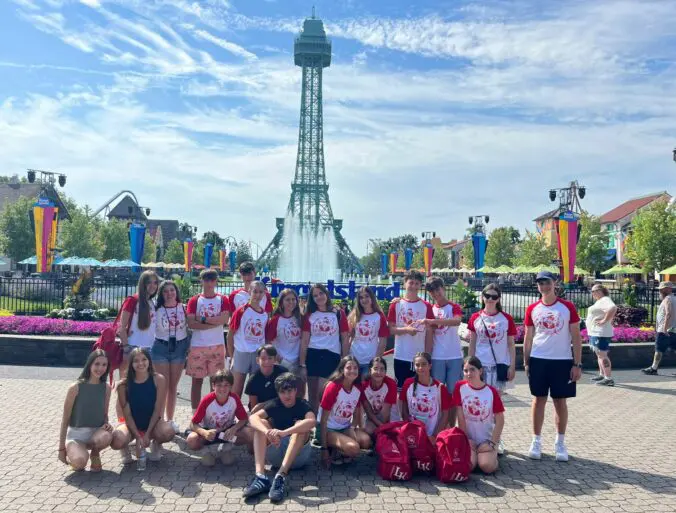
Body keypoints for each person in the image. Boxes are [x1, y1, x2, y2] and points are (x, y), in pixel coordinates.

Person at [523, 270, 582, 462]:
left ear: (554, 283)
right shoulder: (532, 308)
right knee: (538, 399)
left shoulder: (567, 307)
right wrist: (526, 361)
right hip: (538, 359)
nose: (543, 286)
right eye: (540, 282)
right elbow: (528, 336)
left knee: (559, 401)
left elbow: (576, 336)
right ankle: (536, 440)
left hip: (562, 360)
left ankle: (560, 442)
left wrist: (577, 364)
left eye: (546, 282)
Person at [243, 373, 316, 502]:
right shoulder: (274, 404)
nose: (287, 395)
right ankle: (260, 476)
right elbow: (252, 418)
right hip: (276, 453)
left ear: (295, 391)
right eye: (283, 392)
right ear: (278, 393)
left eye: (289, 391)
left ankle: (280, 476)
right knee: (261, 425)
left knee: (301, 426)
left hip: (298, 458)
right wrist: (267, 432)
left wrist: (284, 432)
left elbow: (312, 422)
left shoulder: (303, 404)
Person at [111, 348, 175, 469]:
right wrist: (138, 436)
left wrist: (148, 434)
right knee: (116, 440)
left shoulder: (159, 379)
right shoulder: (123, 385)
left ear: (149, 361)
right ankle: (125, 448)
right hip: (131, 424)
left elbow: (157, 410)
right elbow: (127, 414)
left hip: (152, 422)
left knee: (168, 432)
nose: (140, 363)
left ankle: (155, 444)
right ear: (131, 364)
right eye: (136, 361)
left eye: (144, 359)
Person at [58, 349, 114, 472]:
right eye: (97, 364)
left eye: (104, 365)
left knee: (107, 436)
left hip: (96, 434)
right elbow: (65, 420)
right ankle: (76, 453)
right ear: (89, 364)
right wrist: (61, 449)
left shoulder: (107, 388)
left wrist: (107, 424)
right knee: (79, 463)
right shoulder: (75, 388)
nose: (100, 368)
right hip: (76, 436)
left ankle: (95, 453)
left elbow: (104, 414)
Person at [186, 369, 254, 466]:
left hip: (226, 434)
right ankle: (207, 450)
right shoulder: (207, 400)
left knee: (250, 434)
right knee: (192, 440)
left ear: (231, 386)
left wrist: (234, 428)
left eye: (226, 385)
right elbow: (193, 424)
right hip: (209, 434)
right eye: (219, 385)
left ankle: (226, 448)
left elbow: (243, 419)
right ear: (213, 386)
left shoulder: (234, 398)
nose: (222, 389)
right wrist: (204, 432)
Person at [299, 283, 349, 412]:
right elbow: (304, 340)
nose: (319, 297)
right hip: (312, 354)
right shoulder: (309, 314)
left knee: (323, 391)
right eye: (315, 295)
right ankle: (312, 422)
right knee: (312, 392)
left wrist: (345, 359)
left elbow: (344, 338)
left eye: (321, 293)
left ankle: (322, 422)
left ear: (326, 294)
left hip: (331, 355)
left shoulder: (338, 313)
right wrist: (302, 364)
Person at [186, 269, 230, 414]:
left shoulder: (223, 299)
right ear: (201, 281)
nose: (209, 282)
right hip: (198, 345)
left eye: (212, 279)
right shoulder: (194, 300)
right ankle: (195, 413)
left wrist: (202, 319)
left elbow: (223, 321)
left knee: (216, 382)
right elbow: (191, 323)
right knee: (196, 382)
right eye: (206, 279)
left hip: (217, 345)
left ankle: (213, 412)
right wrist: (214, 322)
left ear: (216, 281)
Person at [452, 357, 505, 474]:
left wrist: (492, 443)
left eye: (472, 370)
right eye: (465, 371)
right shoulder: (459, 387)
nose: (469, 374)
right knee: (469, 466)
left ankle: (493, 453)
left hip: (486, 440)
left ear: (480, 371)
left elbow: (500, 420)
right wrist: (466, 440)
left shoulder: (491, 391)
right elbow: (460, 417)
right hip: (469, 439)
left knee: (486, 467)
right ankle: (474, 454)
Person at [317, 355, 372, 467]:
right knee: (354, 448)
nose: (352, 370)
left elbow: (356, 411)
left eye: (355, 368)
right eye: (349, 367)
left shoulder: (357, 387)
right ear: (342, 370)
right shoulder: (333, 387)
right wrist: (324, 449)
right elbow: (323, 420)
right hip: (328, 429)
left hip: (344, 427)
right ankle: (332, 448)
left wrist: (352, 427)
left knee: (366, 441)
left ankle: (338, 450)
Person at [152, 280, 189, 433]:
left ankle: (170, 420)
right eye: (165, 291)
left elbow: (190, 326)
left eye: (172, 290)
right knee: (162, 386)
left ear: (176, 292)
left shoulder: (183, 308)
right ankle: (159, 420)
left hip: (179, 347)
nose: (169, 294)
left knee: (173, 386)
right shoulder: (156, 308)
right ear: (161, 293)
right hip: (160, 347)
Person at [387, 270, 435, 388]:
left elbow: (429, 333)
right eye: (411, 282)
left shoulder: (426, 306)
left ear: (420, 285)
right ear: (405, 283)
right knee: (400, 389)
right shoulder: (396, 304)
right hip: (401, 355)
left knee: (418, 390)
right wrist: (406, 330)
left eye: (417, 283)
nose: (413, 286)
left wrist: (427, 355)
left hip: (419, 357)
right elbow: (391, 329)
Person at [423, 276, 464, 410]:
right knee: (438, 392)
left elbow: (457, 321)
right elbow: (429, 331)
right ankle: (441, 424)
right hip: (437, 356)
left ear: (443, 288)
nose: (436, 294)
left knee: (453, 392)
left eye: (437, 289)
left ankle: (452, 425)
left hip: (454, 356)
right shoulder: (430, 309)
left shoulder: (453, 307)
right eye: (432, 292)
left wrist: (435, 321)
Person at [467, 283, 517, 392]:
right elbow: (472, 343)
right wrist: (469, 364)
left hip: (499, 365)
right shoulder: (475, 317)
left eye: (494, 297)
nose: (490, 299)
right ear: (482, 297)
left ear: (498, 299)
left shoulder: (506, 318)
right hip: (480, 364)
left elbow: (511, 344)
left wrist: (512, 366)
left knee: (496, 401)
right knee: (479, 398)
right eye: (487, 295)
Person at [228, 280, 270, 397]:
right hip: (242, 352)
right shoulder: (241, 311)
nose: (257, 295)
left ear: (264, 294)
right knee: (237, 388)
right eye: (255, 292)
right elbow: (230, 335)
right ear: (249, 292)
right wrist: (232, 357)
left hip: (257, 354)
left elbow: (265, 337)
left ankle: (253, 413)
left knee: (255, 389)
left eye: (261, 292)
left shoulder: (265, 314)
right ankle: (234, 414)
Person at [399, 352, 452, 442]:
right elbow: (404, 409)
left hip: (432, 435)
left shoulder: (440, 387)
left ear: (430, 366)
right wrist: (410, 430)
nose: (420, 368)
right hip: (413, 434)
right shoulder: (408, 383)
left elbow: (445, 414)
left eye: (424, 364)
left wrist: (434, 436)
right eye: (417, 365)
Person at [117, 270, 159, 378]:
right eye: (149, 282)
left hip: (150, 347)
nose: (152, 286)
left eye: (155, 283)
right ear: (142, 284)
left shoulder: (152, 302)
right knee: (127, 382)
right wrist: (126, 348)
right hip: (132, 346)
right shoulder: (132, 300)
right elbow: (121, 327)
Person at [266, 288, 305, 397]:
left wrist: (302, 362)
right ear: (281, 302)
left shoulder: (300, 318)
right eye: (288, 300)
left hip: (297, 362)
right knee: (283, 392)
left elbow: (305, 340)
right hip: (282, 362)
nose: (291, 302)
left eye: (293, 299)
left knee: (299, 392)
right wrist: (280, 359)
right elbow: (268, 342)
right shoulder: (275, 320)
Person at [347, 286, 389, 377]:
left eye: (366, 296)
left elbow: (383, 342)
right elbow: (349, 337)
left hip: (370, 361)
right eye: (361, 297)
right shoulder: (354, 315)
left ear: (372, 297)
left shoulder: (379, 316)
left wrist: (376, 361)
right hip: (354, 360)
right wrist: (346, 356)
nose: (364, 299)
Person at [357, 356, 397, 436]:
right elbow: (369, 412)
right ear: (370, 370)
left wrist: (384, 428)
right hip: (373, 418)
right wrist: (382, 428)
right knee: (368, 430)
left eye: (382, 369)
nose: (379, 372)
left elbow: (385, 414)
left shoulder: (391, 384)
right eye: (375, 368)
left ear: (385, 372)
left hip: (389, 418)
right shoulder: (363, 386)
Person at [586, 284, 617, 386]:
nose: (592, 293)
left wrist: (604, 320)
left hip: (600, 333)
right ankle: (602, 374)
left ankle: (608, 378)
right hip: (596, 332)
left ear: (600, 291)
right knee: (599, 354)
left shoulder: (605, 299)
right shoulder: (600, 301)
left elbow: (613, 308)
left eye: (594, 291)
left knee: (602, 355)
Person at [643, 281, 676, 375]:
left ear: (667, 289)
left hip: (665, 330)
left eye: (661, 289)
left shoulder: (667, 299)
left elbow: (668, 313)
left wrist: (664, 328)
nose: (660, 291)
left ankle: (654, 368)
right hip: (674, 330)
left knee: (659, 350)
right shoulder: (674, 299)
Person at [245, 345, 289, 412]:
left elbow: (289, 397)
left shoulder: (284, 373)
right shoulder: (253, 380)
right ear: (257, 360)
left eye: (270, 358)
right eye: (263, 358)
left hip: (282, 408)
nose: (267, 362)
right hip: (262, 412)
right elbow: (254, 408)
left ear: (275, 359)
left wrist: (265, 403)